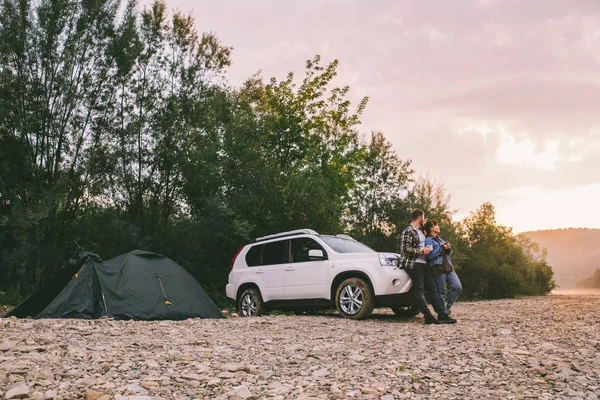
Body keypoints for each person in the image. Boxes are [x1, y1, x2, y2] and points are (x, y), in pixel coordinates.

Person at [398, 209, 456, 325]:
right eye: (423, 217)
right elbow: (404, 250)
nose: (424, 220)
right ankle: (428, 316)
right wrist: (421, 251)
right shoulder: (408, 231)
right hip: (414, 263)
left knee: (433, 288)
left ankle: (442, 315)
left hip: (424, 264)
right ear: (420, 217)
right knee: (419, 289)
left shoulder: (422, 232)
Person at [423, 220, 462, 317]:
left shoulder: (441, 240)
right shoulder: (428, 240)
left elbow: (447, 253)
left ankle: (447, 307)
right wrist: (441, 248)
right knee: (441, 292)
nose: (438, 226)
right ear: (431, 228)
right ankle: (442, 314)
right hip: (438, 267)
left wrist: (448, 248)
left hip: (448, 266)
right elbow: (430, 256)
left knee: (457, 287)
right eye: (436, 225)